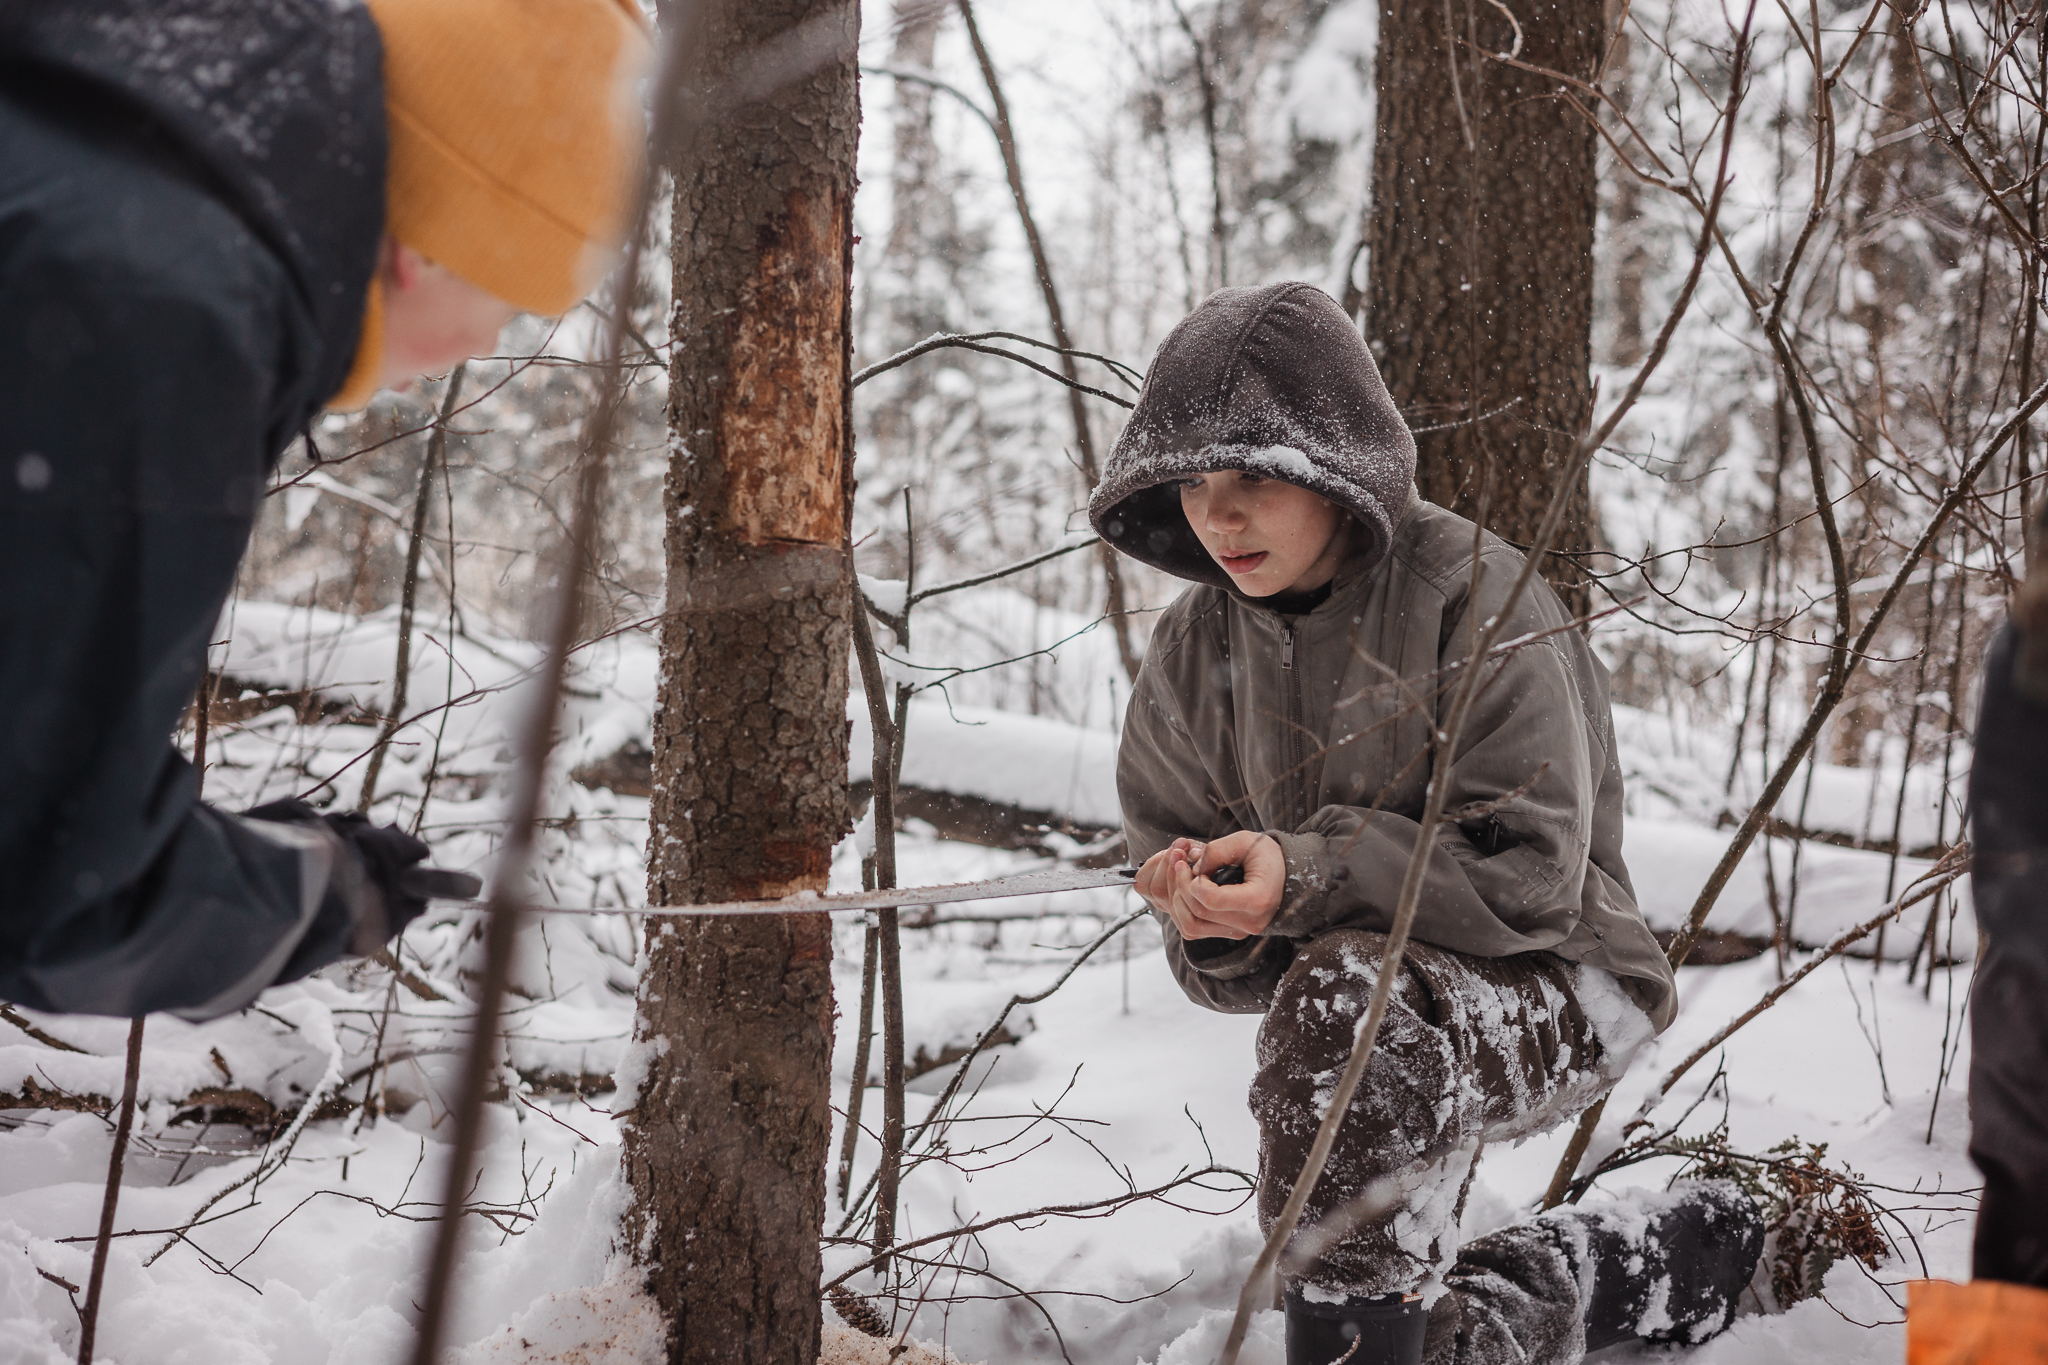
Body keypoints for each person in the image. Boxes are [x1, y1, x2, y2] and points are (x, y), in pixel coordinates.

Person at [1092, 282, 1763, 1365]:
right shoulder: (1191, 647)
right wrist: (1213, 921)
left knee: (1349, 1000)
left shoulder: (1474, 595)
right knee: (1353, 1023)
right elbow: (1193, 900)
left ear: (1335, 469)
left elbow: (1532, 877)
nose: (1218, 518)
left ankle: (1356, 1341)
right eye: (1196, 484)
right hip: (1368, 1001)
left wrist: (1307, 874)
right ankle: (1660, 1259)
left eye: (1253, 477)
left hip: (1565, 979)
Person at [0, 0, 647, 1019]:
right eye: (510, 300)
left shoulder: (83, 146)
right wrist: (323, 893)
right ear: (426, 249)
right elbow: (47, 881)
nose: (487, 347)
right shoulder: (162, 313)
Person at [1905, 505, 2048, 1362]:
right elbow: (2008, 857)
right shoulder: (2028, 646)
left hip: (2026, 1001)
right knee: (2021, 1213)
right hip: (2032, 1005)